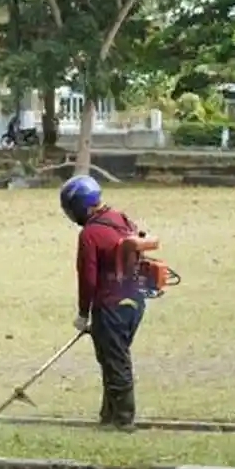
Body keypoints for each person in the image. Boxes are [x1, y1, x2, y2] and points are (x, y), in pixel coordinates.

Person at [59, 174, 160, 431]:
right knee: (112, 357)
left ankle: (124, 419)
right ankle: (109, 414)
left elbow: (88, 278)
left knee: (115, 360)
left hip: (110, 304)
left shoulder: (90, 234)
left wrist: (83, 313)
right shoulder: (121, 219)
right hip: (135, 302)